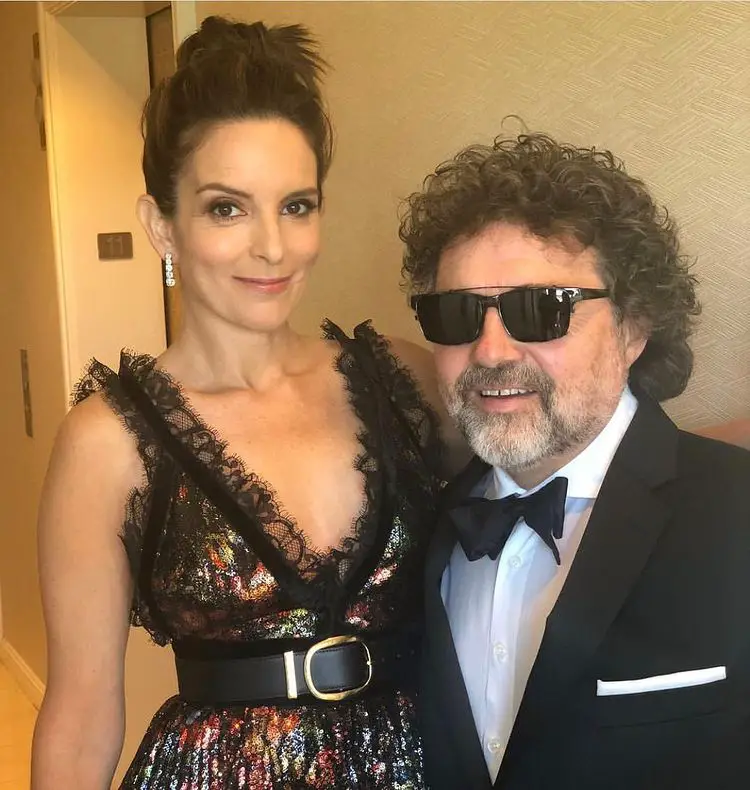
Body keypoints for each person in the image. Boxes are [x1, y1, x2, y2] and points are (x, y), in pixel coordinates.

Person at [31, 16, 457, 789]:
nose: (272, 247)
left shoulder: (404, 381)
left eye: (296, 205)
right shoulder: (108, 443)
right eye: (227, 208)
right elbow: (81, 716)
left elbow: (551, 489)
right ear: (163, 225)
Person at [402, 132, 750, 789]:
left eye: (542, 310)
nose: (491, 351)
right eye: (457, 314)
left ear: (633, 327)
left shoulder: (738, 512)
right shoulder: (419, 527)